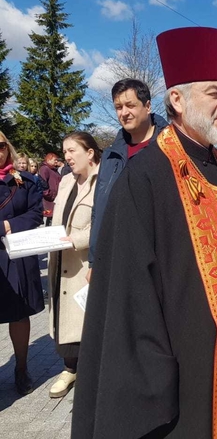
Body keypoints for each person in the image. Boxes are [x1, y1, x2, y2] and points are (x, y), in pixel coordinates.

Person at [72, 26, 217, 438]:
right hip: (193, 374)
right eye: (214, 93)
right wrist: (158, 380)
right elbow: (128, 297)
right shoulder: (145, 176)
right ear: (177, 99)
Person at [87, 78, 168, 278]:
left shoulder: (170, 148)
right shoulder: (110, 155)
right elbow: (100, 210)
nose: (124, 113)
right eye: (118, 107)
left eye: (130, 105)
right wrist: (93, 261)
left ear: (147, 106)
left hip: (159, 261)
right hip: (115, 259)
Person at [47, 132, 101, 399]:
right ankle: (69, 369)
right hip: (61, 263)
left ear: (90, 153)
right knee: (63, 318)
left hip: (84, 264)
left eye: (72, 151)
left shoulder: (104, 180)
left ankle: (90, 373)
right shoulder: (66, 180)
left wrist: (75, 239)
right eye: (64, 152)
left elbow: (106, 224)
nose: (67, 157)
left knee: (87, 320)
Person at [0, 131, 44, 395]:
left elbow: (36, 213)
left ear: (8, 149)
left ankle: (21, 368)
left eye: (1, 146)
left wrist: (8, 224)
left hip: (14, 255)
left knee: (18, 314)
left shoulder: (24, 181)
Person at [38, 152, 61, 226]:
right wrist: (50, 195)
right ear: (49, 159)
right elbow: (42, 184)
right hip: (48, 200)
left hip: (54, 199)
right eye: (55, 160)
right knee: (48, 222)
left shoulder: (54, 170)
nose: (56, 161)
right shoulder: (44, 169)